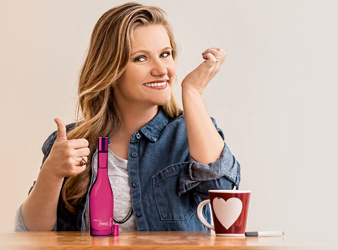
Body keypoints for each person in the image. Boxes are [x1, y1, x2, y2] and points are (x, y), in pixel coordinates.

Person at [15, 2, 240, 232]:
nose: (161, 69)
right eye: (141, 58)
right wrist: (51, 174)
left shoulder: (190, 133)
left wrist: (192, 92)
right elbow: (31, 234)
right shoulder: (70, 142)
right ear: (110, 69)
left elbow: (225, 198)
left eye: (165, 54)